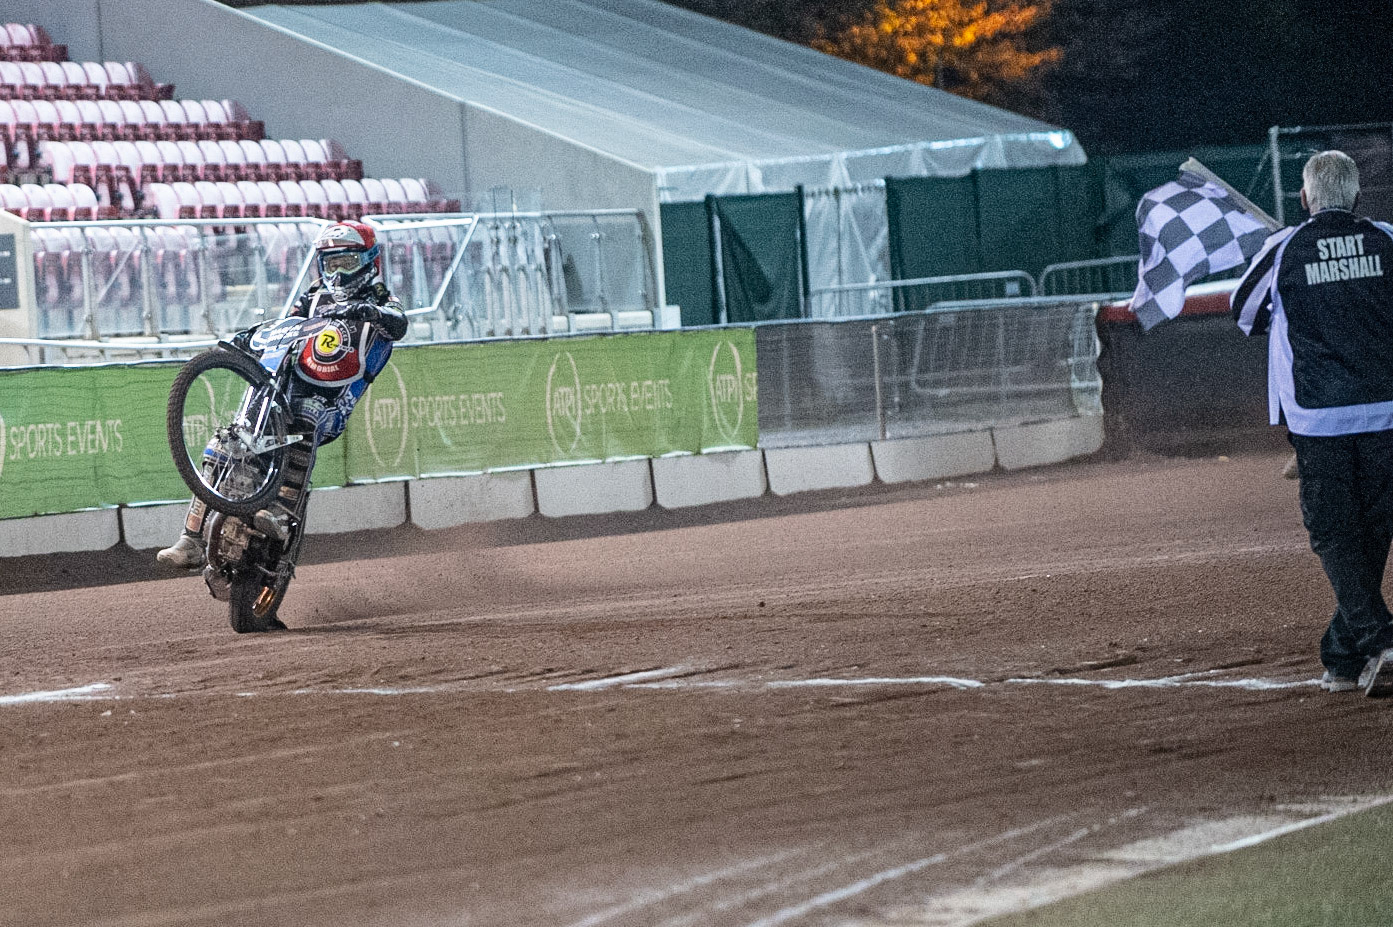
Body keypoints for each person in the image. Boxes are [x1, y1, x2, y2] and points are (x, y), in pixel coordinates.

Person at [158, 220, 409, 570]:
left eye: (346, 263)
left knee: (307, 413)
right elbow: (287, 324)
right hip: (286, 387)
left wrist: (371, 312)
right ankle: (190, 538)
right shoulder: (314, 296)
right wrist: (251, 336)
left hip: (334, 398)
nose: (336, 272)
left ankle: (281, 509)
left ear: (369, 261)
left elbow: (398, 321)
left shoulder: (378, 298)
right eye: (330, 263)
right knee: (227, 438)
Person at [1232, 150, 1393, 696]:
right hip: (1386, 410)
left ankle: (1378, 638)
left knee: (1333, 528)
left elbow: (1245, 315)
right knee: (1375, 525)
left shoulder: (1282, 249)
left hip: (1317, 416)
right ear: (1356, 197)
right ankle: (1344, 657)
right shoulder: (1387, 239)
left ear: (1304, 198)